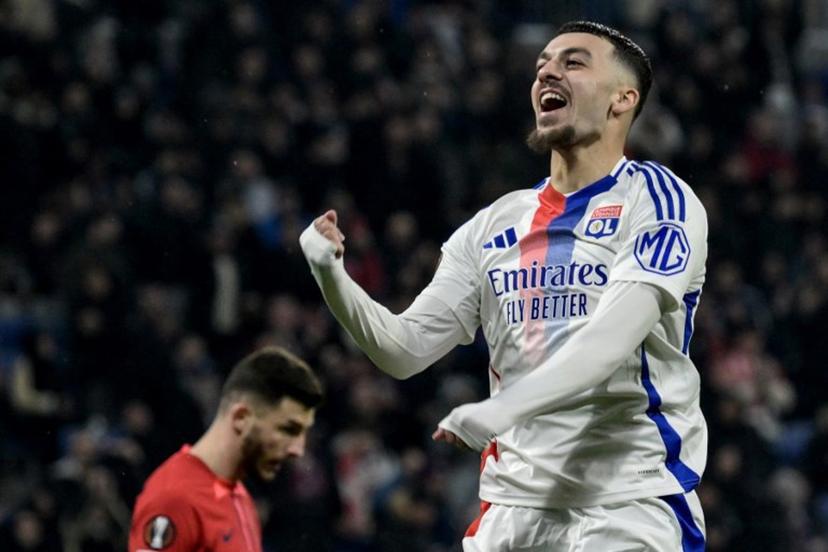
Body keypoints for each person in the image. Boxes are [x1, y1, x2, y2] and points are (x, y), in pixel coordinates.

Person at [301, 19, 709, 551]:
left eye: (573, 62)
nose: (547, 71)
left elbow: (608, 343)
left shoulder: (658, 201)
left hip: (628, 507)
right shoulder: (492, 226)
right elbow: (403, 350)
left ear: (622, 99)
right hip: (511, 516)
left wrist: (498, 411)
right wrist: (331, 274)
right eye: (543, 63)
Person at [128, 346, 323, 552]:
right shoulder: (174, 497)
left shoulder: (240, 497)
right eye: (286, 429)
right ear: (241, 419)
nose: (298, 449)